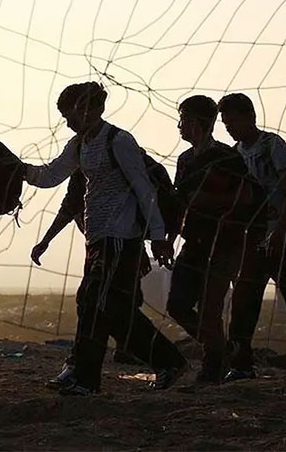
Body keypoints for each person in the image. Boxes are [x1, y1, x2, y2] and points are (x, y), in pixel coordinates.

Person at [24, 82, 186, 396]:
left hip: (120, 238)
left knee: (96, 302)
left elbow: (144, 189)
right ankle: (167, 361)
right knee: (107, 308)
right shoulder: (79, 145)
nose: (68, 122)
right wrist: (17, 169)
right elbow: (50, 176)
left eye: (70, 114)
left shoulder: (119, 141)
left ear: (89, 110)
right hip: (97, 239)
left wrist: (157, 236)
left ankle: (85, 377)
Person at [220, 93, 286, 382]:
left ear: (249, 117)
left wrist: (279, 232)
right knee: (244, 300)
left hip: (285, 238)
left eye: (232, 121)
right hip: (254, 239)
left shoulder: (272, 145)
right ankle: (241, 365)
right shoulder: (236, 153)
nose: (229, 128)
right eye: (225, 123)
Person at [31, 172, 151, 390]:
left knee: (99, 302)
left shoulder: (117, 162)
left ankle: (83, 368)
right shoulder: (84, 170)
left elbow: (138, 206)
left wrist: (149, 244)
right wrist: (45, 241)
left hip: (118, 246)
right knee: (97, 302)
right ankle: (85, 365)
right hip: (100, 247)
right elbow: (69, 207)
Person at [165, 95, 255, 384]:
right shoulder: (185, 160)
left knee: (210, 308)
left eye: (183, 120)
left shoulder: (227, 158)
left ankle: (212, 365)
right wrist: (168, 239)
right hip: (193, 242)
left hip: (224, 243)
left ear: (197, 122)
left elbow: (246, 198)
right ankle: (223, 349)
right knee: (177, 305)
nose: (179, 126)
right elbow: (179, 203)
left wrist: (208, 202)